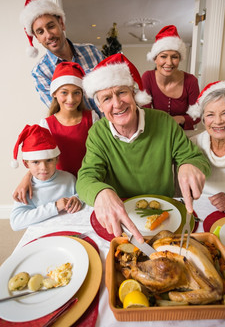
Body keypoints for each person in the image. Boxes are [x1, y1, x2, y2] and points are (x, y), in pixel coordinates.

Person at [76, 53, 211, 242]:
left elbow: (195, 158)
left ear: (134, 93)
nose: (117, 103)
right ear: (99, 107)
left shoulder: (164, 121)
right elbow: (85, 178)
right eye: (106, 98)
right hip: (122, 218)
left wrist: (189, 164)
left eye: (122, 92)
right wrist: (100, 192)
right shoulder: (97, 133)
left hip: (165, 218)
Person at [13, 61, 98, 203]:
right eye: (64, 92)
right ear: (55, 94)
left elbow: (100, 152)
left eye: (76, 93)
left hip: (89, 180)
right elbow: (40, 157)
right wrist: (26, 177)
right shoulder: (46, 124)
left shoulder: (92, 117)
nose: (70, 99)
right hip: (60, 185)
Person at [19, 0, 103, 116]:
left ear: (61, 24)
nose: (48, 35)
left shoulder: (91, 51)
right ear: (37, 38)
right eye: (40, 32)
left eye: (51, 26)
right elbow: (63, 115)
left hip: (115, 126)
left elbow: (113, 86)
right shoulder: (41, 73)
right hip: (83, 133)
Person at [10, 125, 82, 231]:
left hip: (70, 229)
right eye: (36, 162)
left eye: (49, 160)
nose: (43, 168)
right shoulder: (25, 190)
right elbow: (16, 222)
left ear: (57, 159)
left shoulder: (69, 179)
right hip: (43, 233)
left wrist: (78, 199)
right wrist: (55, 207)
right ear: (26, 164)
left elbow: (81, 194)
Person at [188, 80, 225, 215]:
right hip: (196, 215)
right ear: (204, 120)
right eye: (210, 114)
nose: (218, 121)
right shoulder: (192, 145)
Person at [142, 25, 200, 130]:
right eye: (163, 56)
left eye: (174, 57)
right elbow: (144, 113)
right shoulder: (147, 77)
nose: (169, 62)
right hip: (159, 132)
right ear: (155, 59)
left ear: (180, 58)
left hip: (184, 134)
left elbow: (197, 115)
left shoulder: (191, 81)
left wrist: (181, 118)